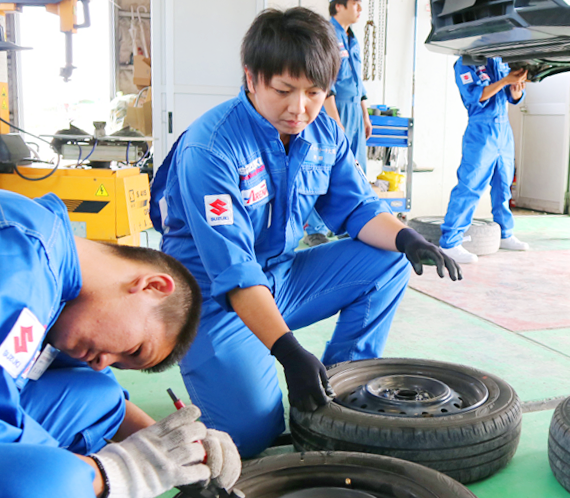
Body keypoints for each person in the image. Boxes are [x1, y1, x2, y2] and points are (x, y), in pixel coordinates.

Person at [150, 7, 461, 459]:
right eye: (284, 90)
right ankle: (249, 379)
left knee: (390, 258)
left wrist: (407, 238)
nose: (299, 109)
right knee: (251, 436)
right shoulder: (212, 148)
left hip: (279, 279)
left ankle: (340, 379)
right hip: (211, 301)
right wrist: (289, 353)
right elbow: (234, 270)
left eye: (315, 92)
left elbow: (356, 208)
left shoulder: (324, 133)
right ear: (252, 78)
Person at [0, 189, 241, 498]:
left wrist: (174, 449)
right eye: (133, 349)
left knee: (100, 396)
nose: (102, 362)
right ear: (152, 286)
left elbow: (101, 397)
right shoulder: (22, 260)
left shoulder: (60, 282)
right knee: (54, 480)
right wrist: (113, 473)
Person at [439, 57, 529, 264]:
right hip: (481, 131)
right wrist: (506, 80)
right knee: (470, 185)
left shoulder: (499, 60)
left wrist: (516, 87)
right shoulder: (465, 63)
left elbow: (512, 96)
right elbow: (476, 96)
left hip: (504, 129)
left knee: (503, 185)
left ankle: (505, 233)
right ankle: (450, 242)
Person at [304, 0, 372, 247]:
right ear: (339, 6)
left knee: (357, 168)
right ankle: (316, 228)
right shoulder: (327, 35)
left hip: (354, 109)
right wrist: (334, 119)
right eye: (355, 3)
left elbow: (358, 81)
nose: (360, 9)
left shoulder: (351, 37)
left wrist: (365, 114)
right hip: (333, 107)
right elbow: (325, 81)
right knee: (325, 166)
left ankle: (353, 223)